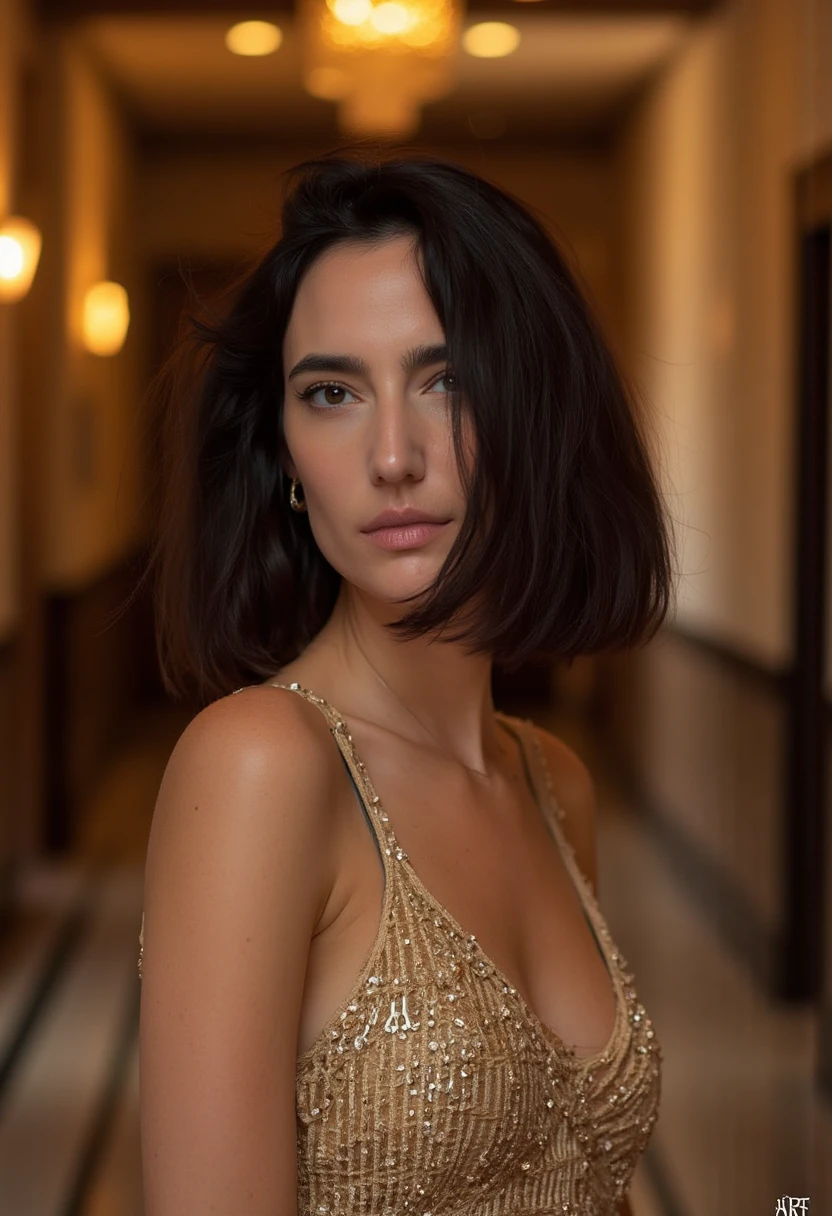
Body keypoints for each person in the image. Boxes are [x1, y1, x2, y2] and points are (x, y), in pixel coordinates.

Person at [137, 147, 676, 1216]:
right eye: (331, 392)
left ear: (535, 411)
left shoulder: (554, 782)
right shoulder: (261, 763)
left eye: (447, 381)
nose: (392, 454)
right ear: (286, 454)